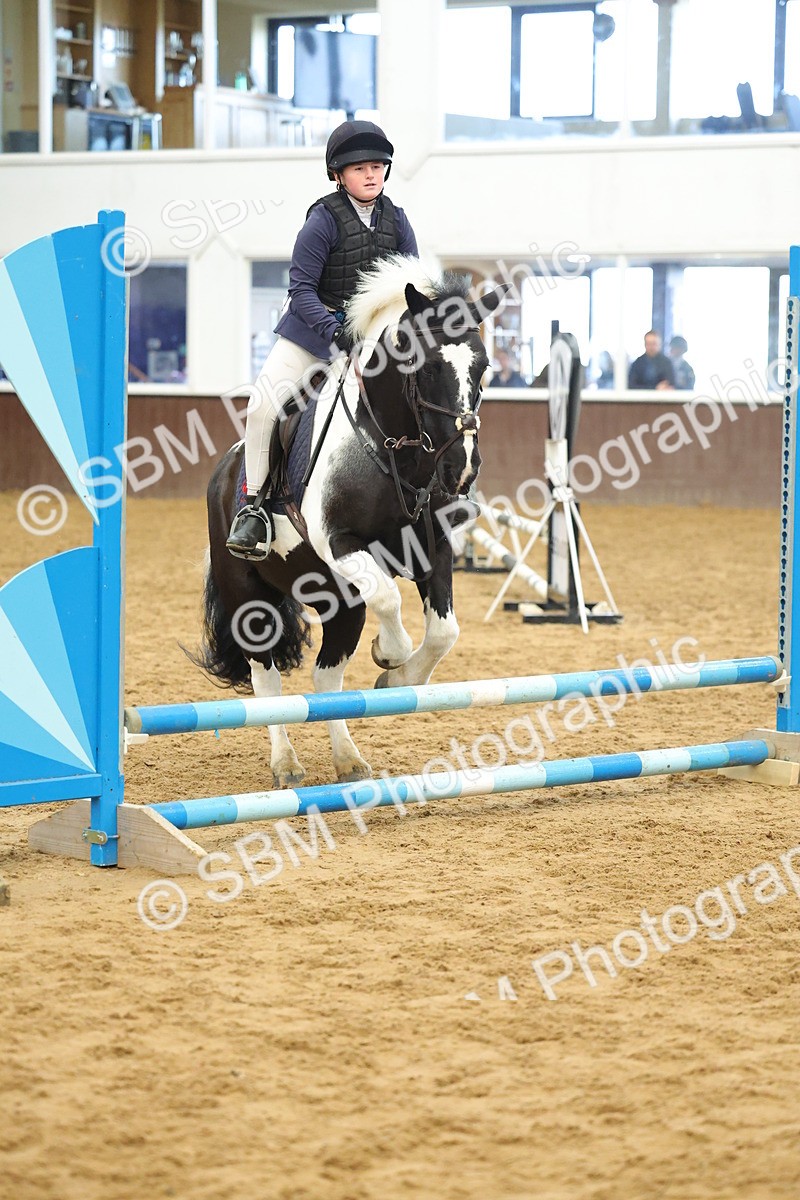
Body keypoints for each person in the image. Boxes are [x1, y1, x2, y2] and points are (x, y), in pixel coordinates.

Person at [226, 120, 419, 558]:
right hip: (311, 339)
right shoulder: (322, 221)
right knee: (261, 408)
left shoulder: (398, 222)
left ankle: (432, 496)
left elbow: (411, 289)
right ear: (338, 174)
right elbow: (301, 291)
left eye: (377, 167)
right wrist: (335, 331)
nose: (371, 175)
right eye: (359, 169)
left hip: (369, 346)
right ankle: (253, 508)